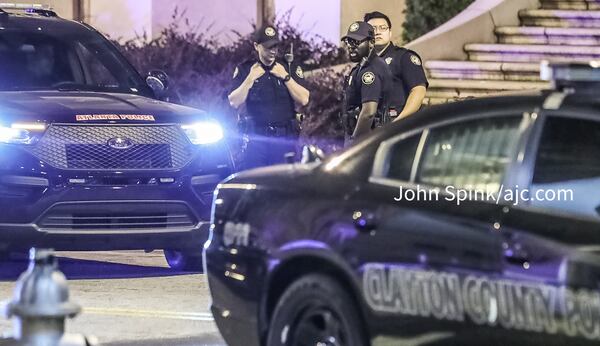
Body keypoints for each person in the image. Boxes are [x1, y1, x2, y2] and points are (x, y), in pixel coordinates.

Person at [228, 24, 310, 170]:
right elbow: (234, 101)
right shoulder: (245, 69)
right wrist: (250, 79)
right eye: (268, 47)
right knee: (257, 185)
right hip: (256, 141)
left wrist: (285, 77)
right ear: (256, 46)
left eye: (275, 47)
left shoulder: (288, 67)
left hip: (284, 140)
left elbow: (304, 99)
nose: (273, 51)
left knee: (284, 185)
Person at [364, 11, 428, 121]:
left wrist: (398, 123)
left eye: (383, 28)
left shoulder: (404, 57)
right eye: (373, 29)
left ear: (390, 32)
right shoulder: (364, 63)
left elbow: (418, 91)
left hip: (398, 127)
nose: (378, 32)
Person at [341, 21, 392, 145]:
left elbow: (369, 112)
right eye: (348, 42)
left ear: (371, 43)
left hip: (368, 139)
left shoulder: (370, 70)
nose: (351, 46)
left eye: (356, 42)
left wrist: (354, 143)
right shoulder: (362, 67)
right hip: (366, 137)